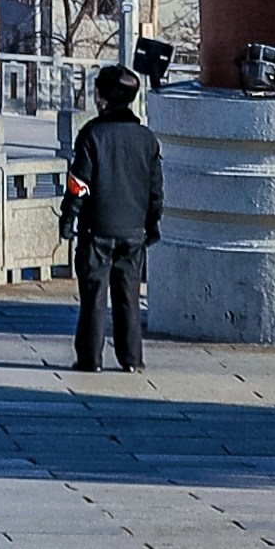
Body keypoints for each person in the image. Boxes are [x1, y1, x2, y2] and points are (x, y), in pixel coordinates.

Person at [66, 68, 161, 370]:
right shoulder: (147, 139)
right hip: (134, 232)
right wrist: (152, 224)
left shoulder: (92, 135)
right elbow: (155, 189)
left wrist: (69, 218)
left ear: (105, 97)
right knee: (128, 297)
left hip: (97, 230)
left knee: (93, 298)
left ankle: (90, 359)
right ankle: (131, 359)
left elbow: (78, 184)